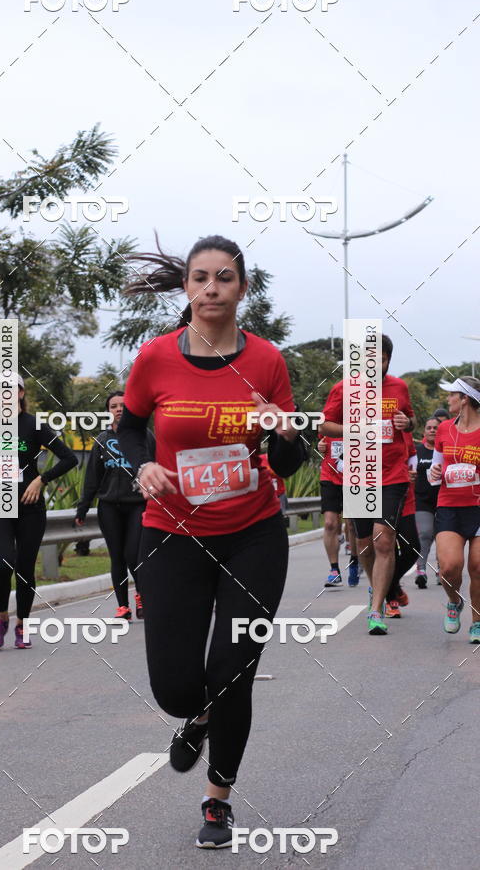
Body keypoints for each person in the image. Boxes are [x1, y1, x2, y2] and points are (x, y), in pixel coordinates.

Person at [116, 234, 307, 848]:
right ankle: (194, 716)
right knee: (174, 686)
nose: (212, 289)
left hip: (252, 534)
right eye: (201, 278)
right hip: (171, 534)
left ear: (241, 289)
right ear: (187, 288)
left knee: (233, 669)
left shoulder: (267, 362)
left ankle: (218, 799)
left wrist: (280, 433)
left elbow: (290, 460)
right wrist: (141, 465)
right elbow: (129, 429)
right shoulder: (154, 358)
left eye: (225, 278)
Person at [320, 334, 415, 634]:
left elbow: (410, 419)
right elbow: (324, 424)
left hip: (392, 475)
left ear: (388, 359)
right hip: (359, 474)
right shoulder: (343, 388)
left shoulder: (399, 387)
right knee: (363, 545)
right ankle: (377, 588)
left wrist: (406, 424)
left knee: (383, 539)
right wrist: (354, 429)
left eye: (383, 359)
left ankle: (376, 611)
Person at [0, 376, 78, 649]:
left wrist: (40, 480)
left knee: (24, 568)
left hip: (30, 508)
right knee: (2, 563)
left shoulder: (34, 425)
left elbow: (70, 457)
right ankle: (1, 619)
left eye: (12, 389)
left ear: (21, 393)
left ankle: (22, 625)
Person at [74, 391, 155, 620]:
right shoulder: (101, 441)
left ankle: (142, 596)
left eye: (123, 405)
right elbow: (92, 477)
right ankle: (123, 606)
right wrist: (83, 507)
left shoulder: (145, 436)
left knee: (133, 554)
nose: (119, 409)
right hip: (109, 506)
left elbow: (157, 464)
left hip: (137, 504)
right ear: (108, 411)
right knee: (117, 557)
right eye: (114, 406)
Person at [429, 377, 480, 643]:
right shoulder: (445, 429)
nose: (448, 399)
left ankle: (477, 621)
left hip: (478, 507)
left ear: (465, 400)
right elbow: (434, 472)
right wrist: (434, 472)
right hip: (449, 506)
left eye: (452, 395)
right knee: (449, 567)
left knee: (478, 566)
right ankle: (454, 601)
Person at [385, 434, 420, 618]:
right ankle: (390, 599)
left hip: (405, 496)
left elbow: (412, 454)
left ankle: (391, 584)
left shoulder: (403, 428)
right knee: (385, 549)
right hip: (379, 494)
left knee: (412, 548)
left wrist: (412, 471)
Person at [317, 435, 359, 587]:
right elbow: (322, 442)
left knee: (353, 525)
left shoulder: (360, 418)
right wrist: (320, 445)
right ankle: (334, 570)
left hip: (355, 478)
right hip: (330, 477)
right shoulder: (328, 420)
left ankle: (354, 561)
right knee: (329, 524)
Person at [413, 416, 442, 588]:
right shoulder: (417, 452)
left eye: (435, 428)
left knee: (443, 537)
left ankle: (442, 569)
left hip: (444, 499)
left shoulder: (445, 452)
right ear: (424, 431)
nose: (432, 430)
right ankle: (421, 570)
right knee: (424, 533)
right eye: (429, 428)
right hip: (422, 501)